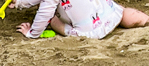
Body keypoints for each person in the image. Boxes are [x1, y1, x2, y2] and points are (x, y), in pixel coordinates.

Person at [12, 0, 148, 38]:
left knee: (52, 19)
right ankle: (145, 20)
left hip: (87, 30)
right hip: (107, 11)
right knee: (121, 11)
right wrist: (19, 3)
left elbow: (44, 13)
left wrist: (33, 33)